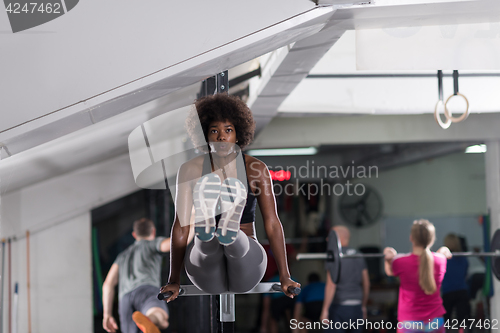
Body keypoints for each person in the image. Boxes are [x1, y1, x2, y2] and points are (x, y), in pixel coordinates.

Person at [160, 93, 300, 301]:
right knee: (205, 247)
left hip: (247, 259)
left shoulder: (255, 169)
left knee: (235, 248)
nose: (221, 137)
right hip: (208, 270)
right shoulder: (189, 170)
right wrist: (173, 279)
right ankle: (210, 233)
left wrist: (285, 275)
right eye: (214, 130)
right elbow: (181, 225)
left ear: (238, 134)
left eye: (228, 130)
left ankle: (228, 232)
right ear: (205, 135)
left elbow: (272, 223)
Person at [102, 218, 191, 333]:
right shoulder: (151, 244)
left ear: (134, 235)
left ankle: (146, 322)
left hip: (124, 299)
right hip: (145, 289)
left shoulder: (122, 256)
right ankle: (150, 320)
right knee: (161, 318)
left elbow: (108, 284)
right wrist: (192, 224)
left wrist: (107, 314)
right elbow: (175, 242)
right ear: (153, 232)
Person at [384, 219, 452, 333]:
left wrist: (387, 256)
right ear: (432, 239)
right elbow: (441, 253)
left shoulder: (399, 261)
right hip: (434, 322)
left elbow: (389, 272)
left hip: (409, 323)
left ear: (411, 238)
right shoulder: (440, 260)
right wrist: (445, 249)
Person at [320, 226, 370, 333]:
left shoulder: (333, 256)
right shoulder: (359, 255)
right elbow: (366, 283)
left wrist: (325, 310)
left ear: (337, 238)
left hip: (339, 308)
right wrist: (363, 306)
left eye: (330, 237)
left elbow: (331, 285)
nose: (327, 239)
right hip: (356, 307)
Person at [441, 233, 470, 332]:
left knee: (446, 320)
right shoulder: (463, 258)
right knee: (461, 320)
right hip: (461, 291)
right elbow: (465, 274)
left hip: (449, 291)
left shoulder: (443, 259)